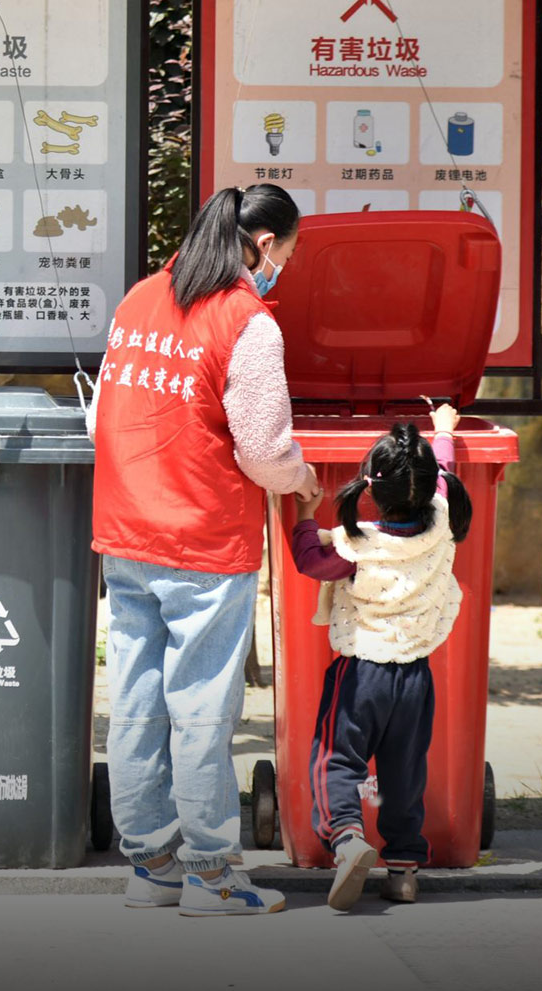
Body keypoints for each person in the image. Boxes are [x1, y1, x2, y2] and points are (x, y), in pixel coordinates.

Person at [94, 184, 319, 917]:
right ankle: (213, 875)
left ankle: (152, 863)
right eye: (286, 252)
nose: (283, 265)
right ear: (262, 245)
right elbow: (262, 449)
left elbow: (105, 412)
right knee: (198, 708)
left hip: (127, 532)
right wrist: (302, 477)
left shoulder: (139, 299)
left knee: (134, 701)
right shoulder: (246, 320)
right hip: (202, 539)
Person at [288, 404, 473, 910]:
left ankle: (347, 839)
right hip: (415, 677)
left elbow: (309, 561)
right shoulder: (441, 523)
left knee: (337, 761)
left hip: (360, 673)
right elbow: (442, 476)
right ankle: (404, 870)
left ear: (371, 486)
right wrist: (443, 433)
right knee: (404, 771)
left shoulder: (356, 545)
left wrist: (305, 516)